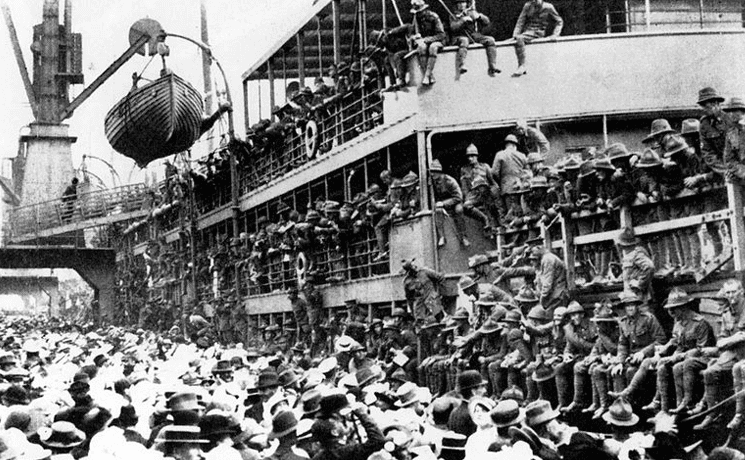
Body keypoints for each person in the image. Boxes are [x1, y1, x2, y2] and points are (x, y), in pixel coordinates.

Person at [511, 0, 563, 77]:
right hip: (528, 32)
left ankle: (522, 65)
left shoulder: (548, 7)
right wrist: (515, 34)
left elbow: (559, 21)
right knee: (511, 41)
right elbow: (520, 21)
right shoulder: (528, 6)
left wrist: (555, 35)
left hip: (538, 32)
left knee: (520, 38)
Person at [449, 0, 499, 79]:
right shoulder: (453, 15)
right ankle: (462, 65)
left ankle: (493, 65)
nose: (461, 5)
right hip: (459, 37)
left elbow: (487, 22)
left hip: (473, 35)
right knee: (464, 41)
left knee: (490, 40)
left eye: (463, 3)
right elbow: (453, 28)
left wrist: (479, 16)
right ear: (457, 5)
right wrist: (462, 20)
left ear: (466, 4)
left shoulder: (471, 12)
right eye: (459, 3)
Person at [430, 159, 469, 247]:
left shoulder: (449, 181)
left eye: (435, 172)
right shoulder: (432, 182)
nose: (433, 174)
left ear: (440, 172)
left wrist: (443, 203)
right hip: (442, 204)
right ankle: (442, 237)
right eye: (432, 172)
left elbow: (458, 197)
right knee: (438, 211)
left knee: (459, 210)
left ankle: (464, 237)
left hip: (455, 202)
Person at [460, 143, 499, 231]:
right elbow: (464, 188)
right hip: (473, 195)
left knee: (493, 205)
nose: (470, 158)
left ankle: (496, 225)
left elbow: (493, 183)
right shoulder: (464, 170)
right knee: (466, 206)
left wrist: (495, 194)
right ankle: (484, 219)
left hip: (486, 193)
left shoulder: (485, 167)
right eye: (468, 156)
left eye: (472, 156)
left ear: (476, 156)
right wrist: (467, 198)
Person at [492, 134, 528, 226]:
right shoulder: (522, 155)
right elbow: (527, 172)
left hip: (508, 188)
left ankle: (515, 237)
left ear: (506, 145)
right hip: (522, 188)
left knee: (511, 214)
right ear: (514, 145)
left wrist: (502, 182)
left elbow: (494, 173)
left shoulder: (500, 155)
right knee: (522, 212)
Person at [409, 0, 446, 86]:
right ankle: (430, 76)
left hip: (438, 41)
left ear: (424, 10)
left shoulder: (433, 17)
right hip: (424, 42)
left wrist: (425, 40)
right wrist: (414, 37)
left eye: (420, 12)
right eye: (417, 12)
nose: (418, 14)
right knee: (421, 48)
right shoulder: (416, 19)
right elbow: (411, 32)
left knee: (433, 47)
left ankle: (426, 75)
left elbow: (441, 35)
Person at [698, 87, 731, 178]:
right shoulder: (704, 125)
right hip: (725, 171)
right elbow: (708, 153)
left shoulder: (731, 119)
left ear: (715, 103)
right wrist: (724, 171)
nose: (702, 109)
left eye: (705, 105)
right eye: (701, 106)